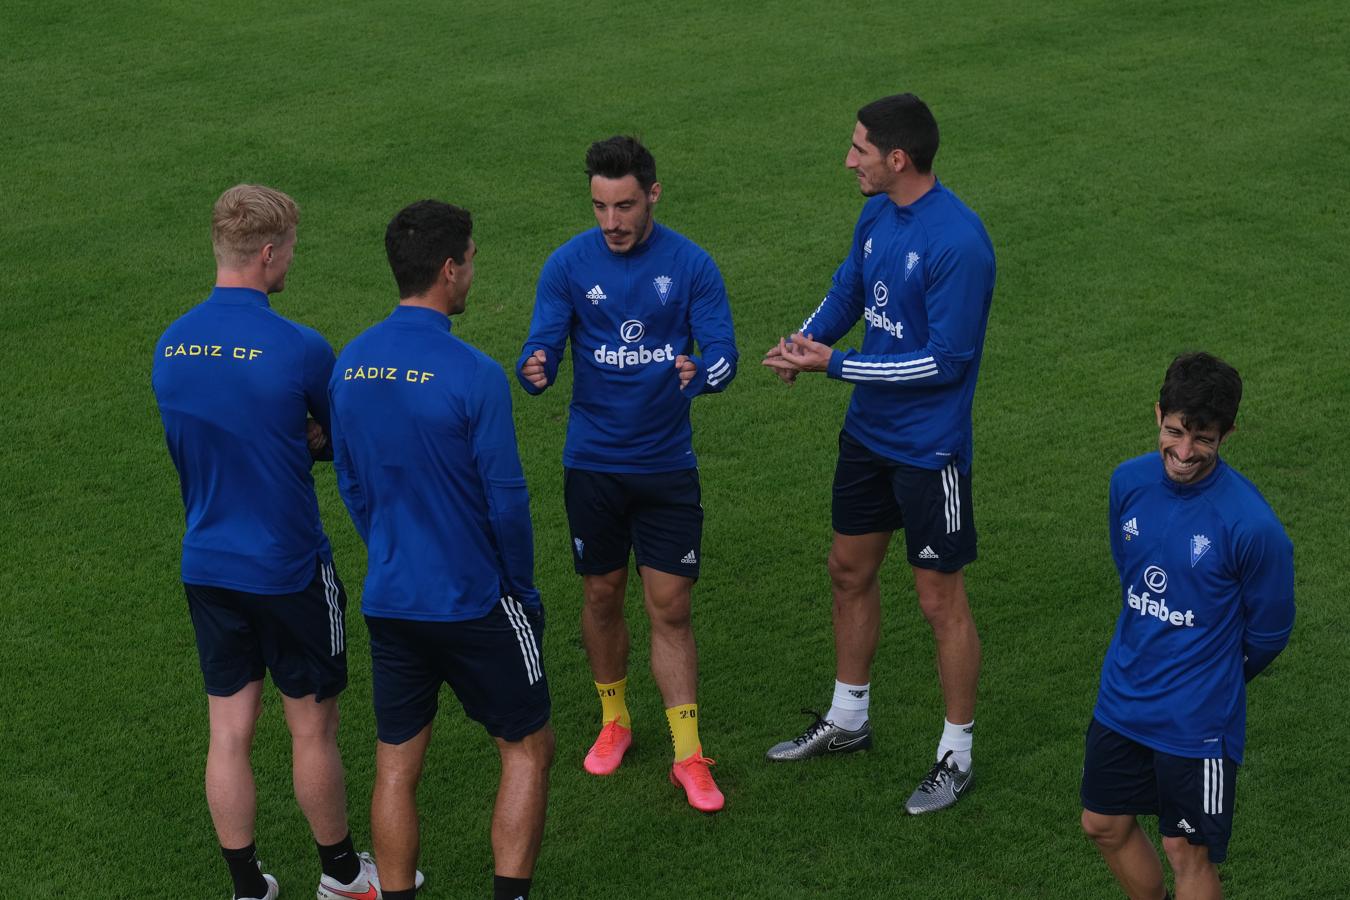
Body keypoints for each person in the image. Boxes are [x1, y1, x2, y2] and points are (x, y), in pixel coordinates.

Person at [761, 93, 995, 815]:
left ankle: (955, 755)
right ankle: (849, 719)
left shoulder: (960, 242)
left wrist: (835, 366)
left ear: (898, 159)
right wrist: (804, 343)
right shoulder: (876, 215)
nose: (849, 159)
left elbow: (946, 362)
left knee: (938, 599)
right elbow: (848, 292)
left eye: (859, 148)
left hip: (930, 451)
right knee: (847, 570)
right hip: (868, 438)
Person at [152, 184, 387, 900]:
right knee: (312, 728)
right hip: (287, 566)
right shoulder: (300, 348)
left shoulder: (170, 345)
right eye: (289, 249)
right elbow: (342, 444)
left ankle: (247, 887)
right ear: (266, 252)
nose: (292, 260)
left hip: (207, 563)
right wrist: (307, 438)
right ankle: (344, 876)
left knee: (228, 730)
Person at [330, 200, 553, 900]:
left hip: (391, 598)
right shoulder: (475, 373)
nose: (472, 272)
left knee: (396, 766)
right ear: (450, 269)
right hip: (473, 599)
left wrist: (389, 549)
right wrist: (518, 587)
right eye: (472, 260)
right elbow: (507, 500)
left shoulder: (351, 363)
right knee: (527, 749)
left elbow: (352, 483)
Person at [516, 136, 738, 813]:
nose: (611, 222)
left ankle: (688, 755)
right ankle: (615, 721)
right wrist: (538, 366)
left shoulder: (691, 265)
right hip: (593, 467)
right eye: (599, 207)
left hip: (667, 467)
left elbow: (723, 354)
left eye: (625, 206)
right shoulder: (568, 264)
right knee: (602, 595)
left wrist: (702, 373)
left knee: (670, 606)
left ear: (653, 195)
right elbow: (543, 341)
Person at [1080, 352, 1294, 900]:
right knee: (1102, 823)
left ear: (1227, 433)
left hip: (1198, 721)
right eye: (1174, 432)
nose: (1183, 452)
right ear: (1158, 414)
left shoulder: (1252, 526)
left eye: (1203, 439)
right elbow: (1132, 577)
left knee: (1185, 851)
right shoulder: (1127, 483)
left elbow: (1269, 633)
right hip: (1122, 698)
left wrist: (1212, 675)